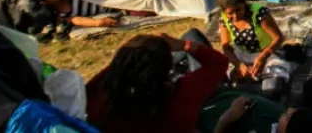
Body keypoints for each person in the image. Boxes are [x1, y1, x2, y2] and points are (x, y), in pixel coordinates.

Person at [86, 31, 229, 133]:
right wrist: (182, 45)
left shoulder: (99, 102)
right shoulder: (179, 97)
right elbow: (218, 62)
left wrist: (129, 55)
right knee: (192, 35)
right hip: (200, 107)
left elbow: (101, 81)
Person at [215, 0, 288, 98]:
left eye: (238, 10)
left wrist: (263, 57)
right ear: (224, 12)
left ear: (244, 4)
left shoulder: (259, 13)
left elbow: (278, 38)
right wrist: (239, 65)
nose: (235, 16)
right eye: (230, 14)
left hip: (268, 54)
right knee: (225, 83)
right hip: (241, 55)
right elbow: (226, 48)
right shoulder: (223, 19)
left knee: (272, 89)